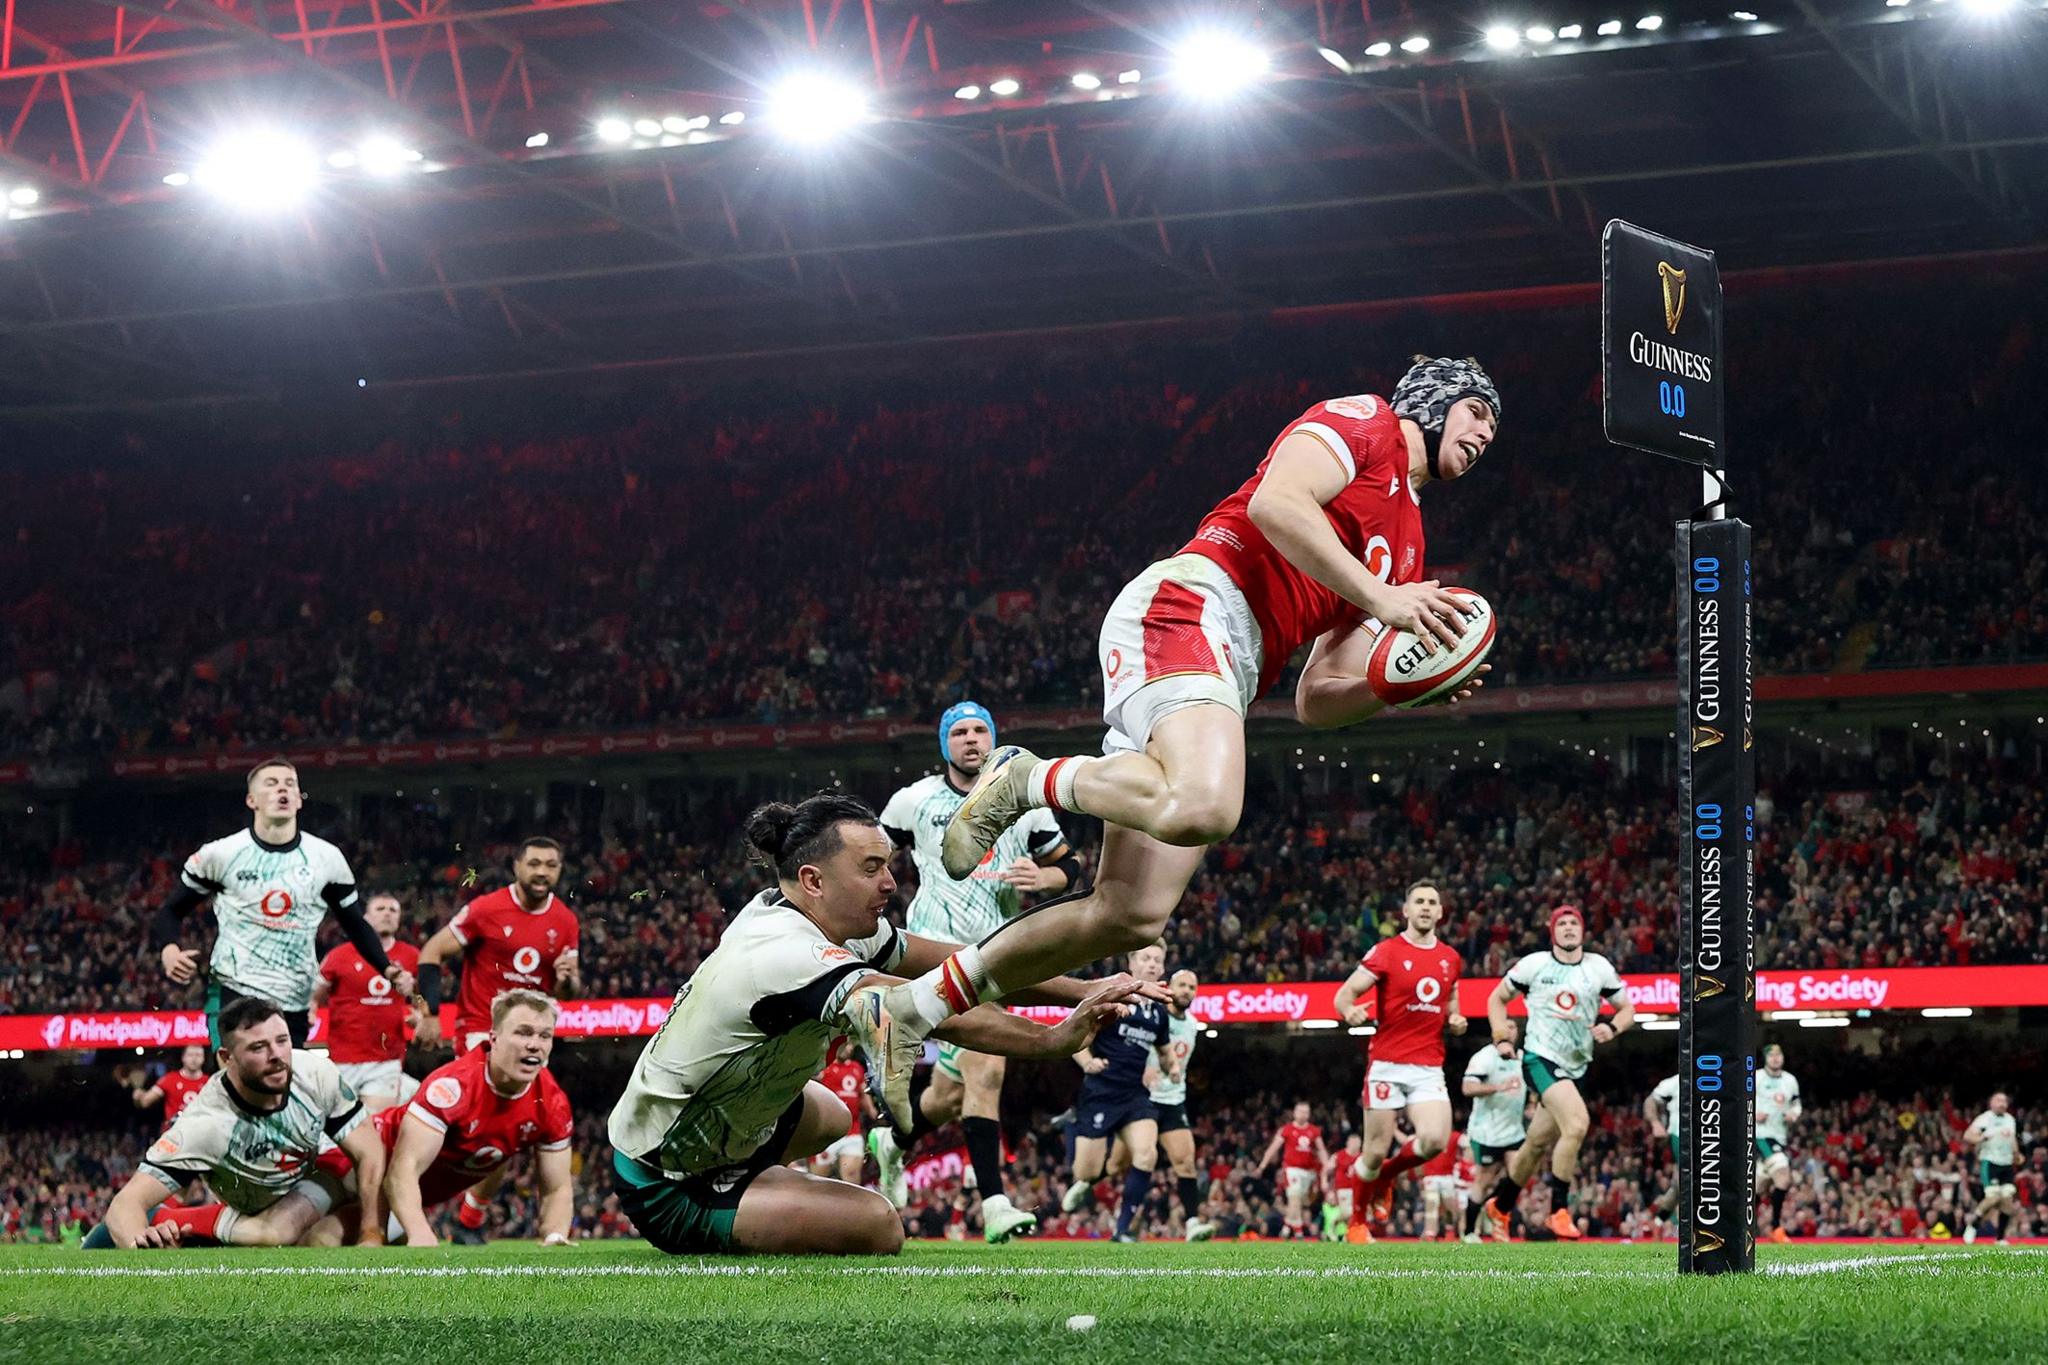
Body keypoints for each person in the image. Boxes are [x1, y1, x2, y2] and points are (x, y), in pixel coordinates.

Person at [850, 361, 1503, 1122]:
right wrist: (1383, 597)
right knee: (1205, 805)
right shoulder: (1365, 419)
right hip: (1195, 603)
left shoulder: (1411, 545)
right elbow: (1276, 503)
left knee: (1128, 915)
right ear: (1432, 400)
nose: (1487, 434)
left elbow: (1317, 700)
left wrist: (1396, 685)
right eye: (1478, 413)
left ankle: (913, 1011)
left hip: (1228, 666)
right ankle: (1031, 778)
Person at [605, 794, 1150, 1257]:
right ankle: (731, 1199)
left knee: (832, 1115)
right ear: (813, 880)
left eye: (887, 865)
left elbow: (959, 959)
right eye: (870, 868)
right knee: (879, 1226)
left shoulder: (809, 915)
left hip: (704, 1115)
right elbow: (927, 1008)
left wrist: (1078, 989)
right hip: (664, 1177)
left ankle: (757, 1188)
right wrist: (1049, 1039)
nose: (890, 882)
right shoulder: (785, 955)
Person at [873, 701, 1077, 1243]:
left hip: (999, 957)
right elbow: (871, 859)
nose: (970, 739)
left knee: (944, 1099)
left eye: (979, 729)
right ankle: (994, 1204)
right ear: (945, 744)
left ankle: (892, 1142)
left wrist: (1046, 877)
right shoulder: (913, 800)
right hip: (933, 955)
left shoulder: (1025, 799)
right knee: (987, 1074)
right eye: (958, 732)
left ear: (994, 737)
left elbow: (1071, 867)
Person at [85, 996, 386, 1249]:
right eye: (258, 1048)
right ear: (226, 1058)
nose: (277, 1056)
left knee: (371, 1169)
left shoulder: (316, 1074)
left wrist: (371, 1233)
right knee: (278, 1236)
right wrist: (143, 1241)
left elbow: (369, 1151)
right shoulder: (206, 1124)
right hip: (261, 1211)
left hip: (323, 1172)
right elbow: (124, 1205)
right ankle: (165, 1220)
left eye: (282, 1041)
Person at [154, 759, 409, 1048]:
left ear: (299, 800)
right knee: (235, 1083)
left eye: (290, 784)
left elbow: (354, 923)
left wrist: (387, 969)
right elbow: (170, 912)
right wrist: (169, 949)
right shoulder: (221, 855)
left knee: (281, 1088)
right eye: (272, 784)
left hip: (294, 999)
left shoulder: (326, 859)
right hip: (233, 990)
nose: (282, 790)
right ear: (252, 800)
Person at [414, 836, 580, 1237]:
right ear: (517, 866)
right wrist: (429, 1012)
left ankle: (469, 1216)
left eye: (551, 865)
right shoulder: (486, 910)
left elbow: (567, 994)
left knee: (506, 1134)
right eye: (535, 863)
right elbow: (430, 953)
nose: (542, 872)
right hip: (481, 1034)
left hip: (532, 1037)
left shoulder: (566, 921)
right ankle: (426, 1199)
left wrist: (567, 980)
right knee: (494, 1130)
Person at [1482, 905, 1635, 1241]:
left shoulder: (1599, 968)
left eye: (1574, 923)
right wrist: (1500, 1038)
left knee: (1536, 1144)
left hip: (1577, 1065)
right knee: (1577, 1124)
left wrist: (1613, 1028)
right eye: (1561, 924)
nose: (1568, 928)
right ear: (1552, 932)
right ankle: (1558, 1211)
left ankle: (1501, 1206)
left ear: (1582, 931)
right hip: (1540, 1058)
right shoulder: (1534, 965)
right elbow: (1496, 999)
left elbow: (1628, 1010)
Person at [378, 990, 575, 1247]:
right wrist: (421, 1233)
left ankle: (465, 1220)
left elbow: (557, 1188)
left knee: (388, 1243)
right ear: (493, 1038)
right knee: (329, 1235)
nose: (535, 1044)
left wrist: (555, 1235)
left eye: (544, 1036)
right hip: (366, 1170)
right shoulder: (453, 1087)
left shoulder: (552, 1104)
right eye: (523, 1032)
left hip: (409, 1196)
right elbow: (401, 1170)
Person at [1335, 879, 1467, 1221]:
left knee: (1436, 1140)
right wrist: (1350, 1012)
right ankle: (1358, 1221)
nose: (1425, 907)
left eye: (1432, 902)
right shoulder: (1386, 952)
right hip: (1386, 1064)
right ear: (1406, 911)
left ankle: (1388, 1178)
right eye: (1419, 901)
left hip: (1427, 1066)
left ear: (1440, 913)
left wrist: (1454, 1017)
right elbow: (1343, 996)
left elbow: (1451, 999)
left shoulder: (1450, 959)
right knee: (1374, 1152)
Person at [1060, 943, 1174, 1243]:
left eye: (1157, 960)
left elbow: (1164, 1051)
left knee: (1147, 1154)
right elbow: (1073, 1032)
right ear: (1132, 963)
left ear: (1162, 968)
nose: (1151, 964)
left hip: (1134, 1095)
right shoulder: (1111, 997)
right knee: (1087, 1171)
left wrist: (1170, 1067)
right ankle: (1073, 1127)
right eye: (1146, 958)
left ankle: (1122, 1230)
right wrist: (1088, 1062)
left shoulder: (1159, 1013)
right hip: (1100, 1091)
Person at [1107, 966, 1213, 1241]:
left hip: (1173, 1100)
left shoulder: (1193, 1024)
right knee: (1116, 1166)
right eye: (1182, 985)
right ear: (1169, 987)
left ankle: (1191, 1223)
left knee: (1186, 1162)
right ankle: (1087, 1181)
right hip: (1144, 1099)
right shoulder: (1154, 1015)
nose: (1187, 991)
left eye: (1192, 987)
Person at [314, 891, 422, 1111]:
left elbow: (422, 998)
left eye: (393, 910)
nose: (387, 915)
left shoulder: (412, 955)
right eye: (380, 909)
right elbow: (315, 995)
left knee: (373, 1126)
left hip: (386, 1060)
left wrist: (420, 1014)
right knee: (341, 1132)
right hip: (342, 1059)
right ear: (365, 918)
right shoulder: (339, 955)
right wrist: (310, 1010)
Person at [1462, 1025, 1527, 1242]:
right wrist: (1497, 1087)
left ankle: (1497, 1208)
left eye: (1512, 1026)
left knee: (1520, 1172)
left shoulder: (1521, 1057)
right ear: (1494, 1033)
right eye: (1504, 1026)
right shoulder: (1484, 1058)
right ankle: (1470, 1231)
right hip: (1487, 1132)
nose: (1509, 1031)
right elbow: (1468, 1088)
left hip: (1514, 1130)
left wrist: (1533, 1105)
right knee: (1484, 1180)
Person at [1255, 1101, 1330, 1239]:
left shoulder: (1314, 1131)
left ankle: (1287, 1226)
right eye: (1300, 1111)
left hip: (1309, 1172)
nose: (1303, 1115)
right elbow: (1273, 1148)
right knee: (1294, 1198)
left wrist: (1327, 1168)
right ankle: (1299, 1230)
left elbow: (1321, 1150)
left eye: (1306, 1112)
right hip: (1292, 1169)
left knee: (1300, 1202)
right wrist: (1262, 1166)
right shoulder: (1287, 1129)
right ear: (1295, 1113)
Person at [1755, 1043, 1803, 1242]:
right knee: (1783, 1176)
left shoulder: (1790, 1080)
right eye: (1771, 1055)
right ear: (1765, 1058)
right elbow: (1740, 1100)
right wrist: (1752, 1113)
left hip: (1780, 1136)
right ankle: (1776, 1227)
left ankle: (1741, 1226)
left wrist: (1793, 1114)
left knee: (1758, 1187)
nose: (1775, 1058)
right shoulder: (1756, 1077)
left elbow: (1796, 1104)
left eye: (1778, 1054)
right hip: (1760, 1135)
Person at [1963, 1091, 2019, 1245]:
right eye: (1999, 1100)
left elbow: (2012, 1138)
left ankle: (2000, 1238)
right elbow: (1967, 1136)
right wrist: (1981, 1137)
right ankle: (1972, 1225)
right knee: (1993, 1198)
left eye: (2004, 1101)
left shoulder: (2010, 1120)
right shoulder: (1984, 1119)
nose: (2002, 1103)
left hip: (2007, 1164)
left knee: (2007, 1202)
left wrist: (2016, 1153)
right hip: (1990, 1162)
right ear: (1992, 1103)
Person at [816, 1048, 872, 1187]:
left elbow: (863, 1095)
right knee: (818, 1181)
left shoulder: (857, 1068)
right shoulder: (824, 1067)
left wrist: (873, 1112)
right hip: (826, 1133)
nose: (845, 1048)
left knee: (851, 1177)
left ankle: (853, 1208)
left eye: (848, 1044)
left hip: (852, 1132)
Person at [130, 1045, 209, 1130]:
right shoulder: (169, 1079)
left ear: (203, 1058)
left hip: (200, 1132)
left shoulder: (210, 1082)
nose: (194, 1059)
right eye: (190, 1055)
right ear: (183, 1058)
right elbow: (145, 1102)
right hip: (174, 1133)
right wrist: (138, 1098)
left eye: (198, 1055)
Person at [1419, 1130, 1473, 1241]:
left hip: (1448, 1177)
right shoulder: (1425, 1134)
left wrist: (1465, 1159)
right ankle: (1430, 1234)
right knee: (1432, 1204)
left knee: (1450, 1208)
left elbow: (1468, 1143)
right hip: (1431, 1176)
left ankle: (1450, 1230)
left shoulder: (1454, 1136)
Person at [1647, 1072, 1682, 1225]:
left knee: (1682, 1182)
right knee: (1691, 1177)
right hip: (1681, 1136)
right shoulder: (1675, 1082)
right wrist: (1655, 1123)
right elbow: (1650, 1100)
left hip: (1712, 1135)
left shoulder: (1718, 1079)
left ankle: (1659, 1219)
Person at [1325, 1132, 1369, 1242]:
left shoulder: (1363, 1157)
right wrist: (1326, 1183)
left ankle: (1348, 1235)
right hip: (1343, 1188)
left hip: (1358, 1189)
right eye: (1353, 1142)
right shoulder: (1338, 1156)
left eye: (1358, 1142)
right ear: (1348, 1143)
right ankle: (1333, 1225)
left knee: (1357, 1212)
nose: (1355, 1145)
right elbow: (1327, 1169)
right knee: (1348, 1212)